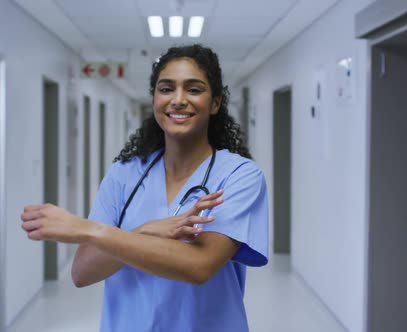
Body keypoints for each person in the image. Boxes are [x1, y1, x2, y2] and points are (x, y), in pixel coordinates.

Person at [21, 44, 269, 332]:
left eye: (193, 89)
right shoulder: (125, 174)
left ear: (215, 103)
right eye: (166, 89)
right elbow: (83, 272)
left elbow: (199, 266)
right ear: (154, 99)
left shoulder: (239, 175)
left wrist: (87, 229)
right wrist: (145, 229)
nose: (178, 100)